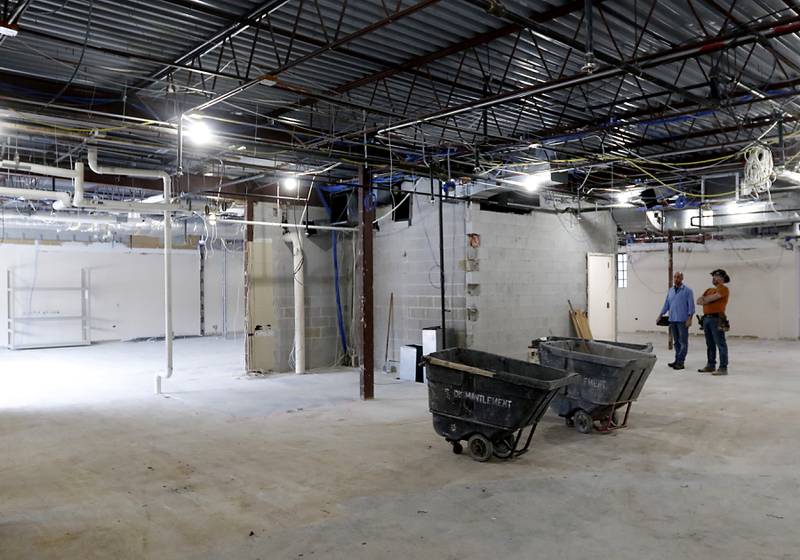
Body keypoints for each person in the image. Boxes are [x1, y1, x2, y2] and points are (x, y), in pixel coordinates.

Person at [656, 271, 695, 370]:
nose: (676, 279)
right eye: (675, 277)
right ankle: (677, 360)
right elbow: (666, 304)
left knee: (683, 342)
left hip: (683, 321)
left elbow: (691, 306)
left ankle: (681, 362)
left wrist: (690, 319)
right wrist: (660, 315)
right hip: (672, 320)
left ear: (682, 278)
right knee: (676, 342)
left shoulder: (688, 291)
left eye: (678, 277)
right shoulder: (670, 291)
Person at [696, 269, 731, 375]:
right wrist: (708, 299)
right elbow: (698, 301)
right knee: (710, 344)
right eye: (713, 276)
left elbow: (709, 299)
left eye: (715, 276)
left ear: (722, 278)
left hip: (717, 318)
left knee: (720, 343)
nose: (713, 278)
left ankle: (723, 368)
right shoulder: (709, 290)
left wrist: (706, 299)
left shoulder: (724, 289)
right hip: (706, 319)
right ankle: (711, 365)